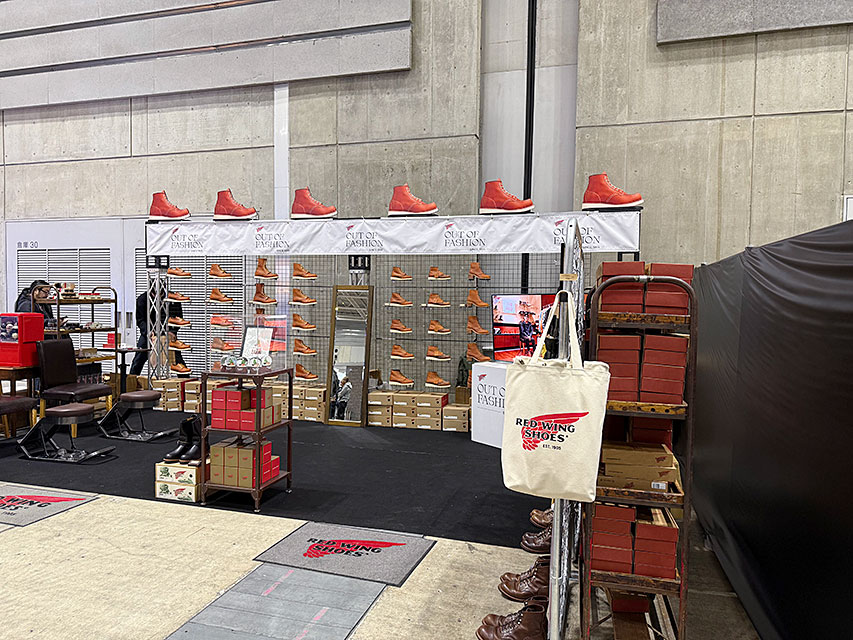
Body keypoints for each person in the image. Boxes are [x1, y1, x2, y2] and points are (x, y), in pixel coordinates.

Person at [130, 292, 188, 375]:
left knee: (177, 359)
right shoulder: (143, 299)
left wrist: (172, 331)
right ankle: (131, 380)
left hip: (167, 333)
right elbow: (140, 320)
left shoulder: (172, 299)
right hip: (149, 333)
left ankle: (185, 380)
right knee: (138, 359)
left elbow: (178, 318)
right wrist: (148, 332)